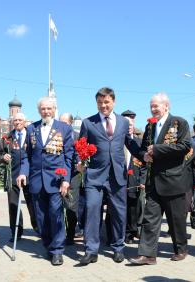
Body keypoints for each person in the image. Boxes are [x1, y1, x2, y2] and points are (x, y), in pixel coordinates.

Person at [78, 87, 140, 265]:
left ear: (113, 101)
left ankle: (118, 247)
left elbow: (130, 144)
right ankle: (91, 250)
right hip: (95, 175)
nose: (103, 106)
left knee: (119, 212)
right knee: (92, 210)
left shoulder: (123, 122)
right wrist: (80, 162)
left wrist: (144, 156)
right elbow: (81, 146)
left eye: (106, 102)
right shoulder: (88, 123)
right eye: (100, 102)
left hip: (117, 175)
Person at [128, 93, 191, 265]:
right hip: (153, 181)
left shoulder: (179, 122)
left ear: (166, 106)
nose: (153, 109)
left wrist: (157, 150)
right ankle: (147, 255)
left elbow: (185, 146)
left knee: (176, 219)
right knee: (150, 218)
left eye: (156, 106)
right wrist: (144, 156)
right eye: (151, 106)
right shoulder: (150, 126)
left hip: (173, 180)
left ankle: (181, 249)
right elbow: (143, 149)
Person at [17, 97, 74, 266]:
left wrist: (66, 179)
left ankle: (57, 250)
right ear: (39, 110)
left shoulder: (64, 128)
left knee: (55, 214)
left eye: (49, 108)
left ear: (55, 109)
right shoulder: (32, 128)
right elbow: (27, 156)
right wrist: (23, 173)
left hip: (56, 180)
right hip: (36, 180)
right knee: (41, 218)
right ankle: (48, 244)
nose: (46, 111)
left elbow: (68, 156)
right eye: (43, 109)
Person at [0, 112, 37, 242]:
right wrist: (3, 157)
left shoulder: (33, 135)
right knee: (13, 205)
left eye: (20, 120)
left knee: (33, 205)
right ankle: (16, 232)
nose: (18, 122)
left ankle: (38, 228)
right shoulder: (7, 138)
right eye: (15, 120)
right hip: (12, 176)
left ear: (25, 122)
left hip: (30, 176)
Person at [121, 111, 146, 244]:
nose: (129, 126)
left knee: (133, 208)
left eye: (131, 123)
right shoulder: (117, 140)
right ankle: (116, 233)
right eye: (126, 123)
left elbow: (144, 164)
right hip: (118, 179)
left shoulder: (139, 142)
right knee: (117, 208)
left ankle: (130, 233)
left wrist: (142, 180)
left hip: (134, 180)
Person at [59, 112, 82, 245]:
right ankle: (59, 232)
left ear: (71, 123)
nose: (61, 125)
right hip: (57, 174)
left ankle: (70, 234)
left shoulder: (77, 136)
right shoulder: (55, 135)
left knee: (70, 205)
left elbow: (80, 155)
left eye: (64, 123)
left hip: (73, 174)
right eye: (60, 122)